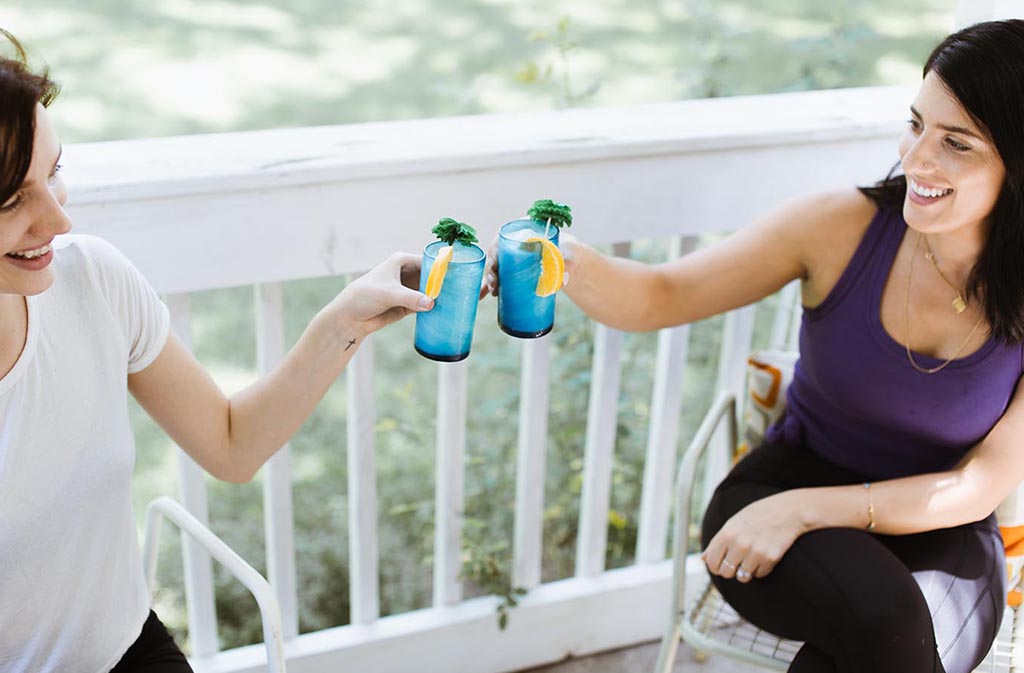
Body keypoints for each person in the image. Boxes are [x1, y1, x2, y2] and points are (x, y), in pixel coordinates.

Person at [487, 19, 1024, 673]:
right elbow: (660, 295)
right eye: (915, 125)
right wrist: (563, 261)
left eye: (956, 143)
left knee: (874, 643)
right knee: (891, 625)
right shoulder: (837, 228)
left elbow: (978, 483)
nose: (917, 160)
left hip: (940, 530)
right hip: (773, 493)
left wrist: (805, 512)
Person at [0, 30, 435, 673]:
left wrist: (347, 318)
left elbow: (232, 444)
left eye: (54, 171)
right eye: (12, 199)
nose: (60, 221)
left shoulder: (93, 280)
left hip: (128, 652)